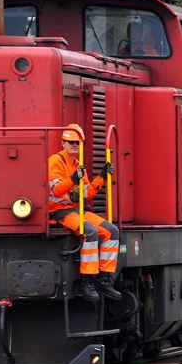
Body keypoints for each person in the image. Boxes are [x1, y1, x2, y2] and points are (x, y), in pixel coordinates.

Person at [47, 123, 120, 302]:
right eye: (70, 143)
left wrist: (101, 177)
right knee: (90, 231)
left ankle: (104, 279)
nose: (74, 146)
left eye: (77, 143)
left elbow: (86, 194)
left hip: (77, 210)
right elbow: (55, 190)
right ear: (63, 143)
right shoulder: (55, 161)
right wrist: (73, 179)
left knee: (112, 231)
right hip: (60, 212)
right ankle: (87, 280)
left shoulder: (79, 165)